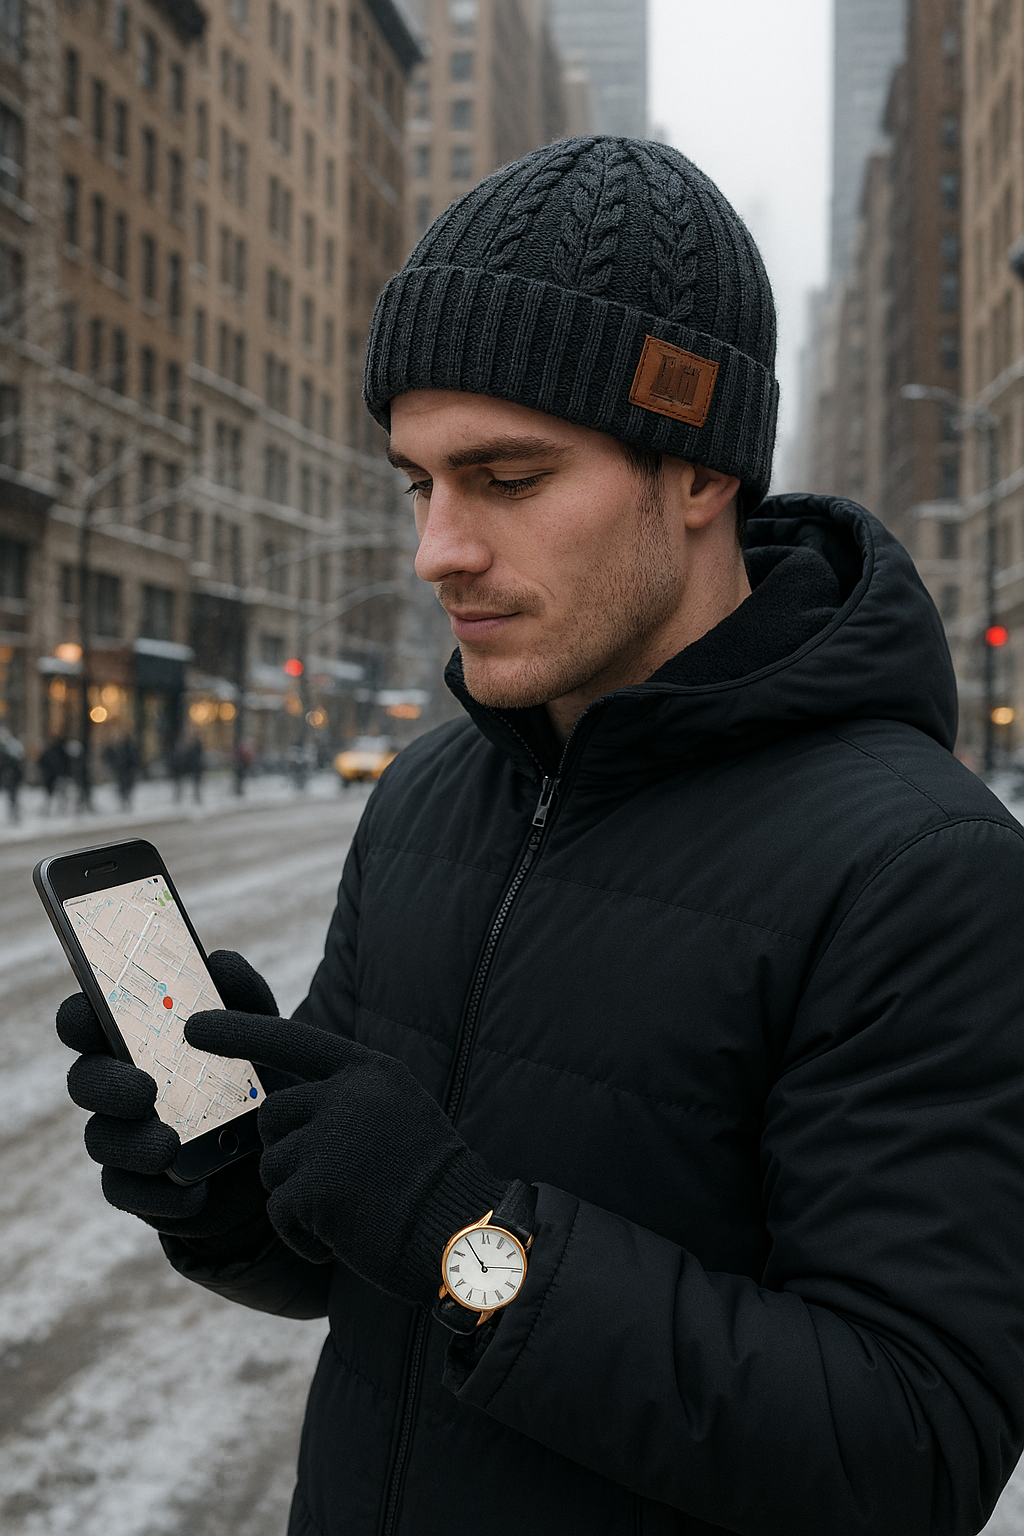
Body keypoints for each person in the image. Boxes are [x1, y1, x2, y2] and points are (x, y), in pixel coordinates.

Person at [56, 138, 1024, 1536]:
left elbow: (912, 1451)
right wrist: (230, 1183)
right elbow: (356, 1256)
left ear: (697, 470)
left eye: (505, 479)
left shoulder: (925, 871)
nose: (437, 547)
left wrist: (467, 1240)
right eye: (418, 482)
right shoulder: (429, 794)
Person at [103, 734, 140, 810]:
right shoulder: (121, 749)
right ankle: (125, 800)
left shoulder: (125, 749)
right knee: (124, 786)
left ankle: (125, 800)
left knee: (125, 786)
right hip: (124, 770)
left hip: (125, 770)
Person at [38, 736, 72, 813]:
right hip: (55, 775)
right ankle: (58, 807)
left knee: (57, 793)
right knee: (56, 793)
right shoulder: (59, 752)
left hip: (55, 776)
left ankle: (59, 807)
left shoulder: (57, 752)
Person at [0, 723, 24, 821]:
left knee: (13, 798)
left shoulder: (11, 748)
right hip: (8, 777)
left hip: (11, 777)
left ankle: (14, 814)